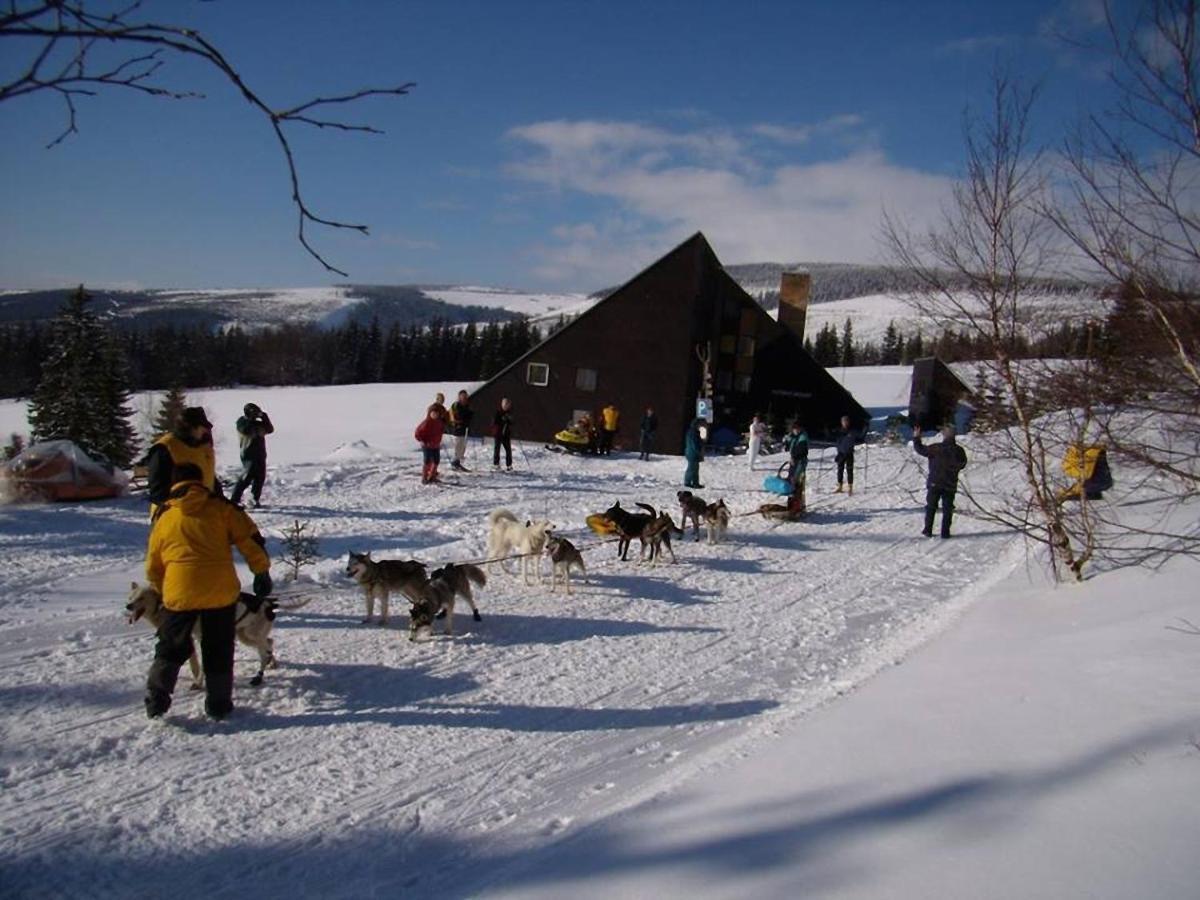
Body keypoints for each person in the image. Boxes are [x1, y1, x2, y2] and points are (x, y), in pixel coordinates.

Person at [143, 462, 272, 720]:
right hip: (219, 592)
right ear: (202, 481)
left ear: (174, 483)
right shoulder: (222, 509)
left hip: (179, 594)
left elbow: (153, 565)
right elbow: (250, 539)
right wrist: (261, 571)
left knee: (170, 648)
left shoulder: (165, 515)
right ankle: (218, 704)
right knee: (218, 648)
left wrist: (162, 591)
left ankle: (156, 700)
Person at [144, 406, 219, 516]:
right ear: (191, 428)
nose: (204, 431)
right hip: (176, 516)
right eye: (201, 427)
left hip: (203, 512)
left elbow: (209, 477)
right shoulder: (165, 448)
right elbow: (158, 492)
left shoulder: (203, 446)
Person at [913, 424, 968, 538]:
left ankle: (928, 530)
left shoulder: (935, 448)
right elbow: (962, 464)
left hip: (935, 483)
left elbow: (920, 449)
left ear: (944, 435)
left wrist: (916, 437)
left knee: (931, 507)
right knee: (948, 508)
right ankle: (945, 532)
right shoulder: (959, 451)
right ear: (954, 436)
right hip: (950, 484)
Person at [230, 402, 274, 507]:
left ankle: (254, 500)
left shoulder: (258, 423)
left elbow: (270, 429)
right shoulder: (242, 422)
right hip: (248, 455)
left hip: (260, 454)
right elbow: (245, 430)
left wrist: (264, 416)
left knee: (260, 478)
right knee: (246, 478)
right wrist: (251, 420)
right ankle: (234, 500)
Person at [414, 404, 446, 484]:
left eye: (436, 413)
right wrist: (423, 440)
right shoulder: (426, 423)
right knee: (427, 461)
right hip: (427, 446)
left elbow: (441, 430)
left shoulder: (439, 422)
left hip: (436, 445)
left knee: (436, 461)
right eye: (433, 413)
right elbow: (418, 433)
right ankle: (424, 477)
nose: (435, 415)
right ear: (430, 413)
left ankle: (432, 476)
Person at [448, 389, 474, 471]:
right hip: (457, 428)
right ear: (459, 397)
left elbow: (470, 415)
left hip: (464, 428)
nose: (464, 398)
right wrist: (466, 415)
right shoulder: (456, 405)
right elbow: (458, 416)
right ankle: (455, 462)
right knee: (458, 446)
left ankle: (457, 462)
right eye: (462, 396)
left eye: (465, 396)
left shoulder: (467, 405)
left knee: (462, 447)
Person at [834, 415, 857, 495]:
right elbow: (834, 439)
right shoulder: (839, 431)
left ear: (848, 422)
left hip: (849, 454)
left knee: (849, 471)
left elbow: (859, 437)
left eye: (846, 421)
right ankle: (840, 487)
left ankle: (850, 488)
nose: (845, 423)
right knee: (840, 470)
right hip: (841, 454)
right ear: (841, 422)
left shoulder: (852, 431)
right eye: (844, 421)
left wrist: (865, 429)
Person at [783, 420, 809, 489]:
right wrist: (786, 442)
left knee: (797, 477)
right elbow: (789, 446)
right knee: (791, 475)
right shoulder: (795, 436)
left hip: (800, 460)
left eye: (796, 429)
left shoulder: (803, 437)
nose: (795, 431)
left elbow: (801, 450)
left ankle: (797, 492)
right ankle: (790, 489)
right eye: (794, 429)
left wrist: (793, 457)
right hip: (794, 459)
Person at [492, 397, 514, 471]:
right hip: (498, 433)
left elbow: (512, 422)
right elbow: (494, 422)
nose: (506, 406)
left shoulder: (509, 412)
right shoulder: (498, 412)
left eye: (508, 404)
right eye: (505, 404)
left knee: (508, 450)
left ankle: (509, 465)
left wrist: (509, 419)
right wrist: (502, 419)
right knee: (497, 449)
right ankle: (496, 464)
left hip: (506, 434)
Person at [683, 417, 705, 488]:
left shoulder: (692, 432)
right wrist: (699, 451)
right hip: (693, 454)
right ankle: (691, 483)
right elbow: (695, 444)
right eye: (699, 425)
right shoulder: (693, 433)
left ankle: (691, 482)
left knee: (693, 468)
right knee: (693, 469)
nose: (700, 426)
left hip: (691, 453)